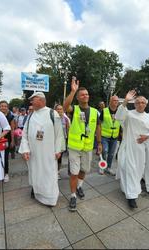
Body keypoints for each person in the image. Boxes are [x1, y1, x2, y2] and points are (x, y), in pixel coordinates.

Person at [115, 91, 149, 208]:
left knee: (137, 172)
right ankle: (132, 197)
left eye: (142, 102)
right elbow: (118, 117)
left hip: (141, 150)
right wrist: (125, 101)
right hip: (129, 148)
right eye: (138, 102)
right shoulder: (129, 114)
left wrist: (147, 136)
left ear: (146, 104)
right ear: (134, 104)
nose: (140, 104)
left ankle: (129, 190)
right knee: (129, 170)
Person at [63, 77, 102, 212]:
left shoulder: (94, 111)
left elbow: (97, 127)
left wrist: (99, 143)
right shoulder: (74, 109)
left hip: (88, 147)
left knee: (84, 170)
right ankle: (73, 195)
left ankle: (79, 186)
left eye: (87, 94)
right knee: (74, 172)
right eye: (82, 94)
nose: (86, 96)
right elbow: (64, 107)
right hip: (74, 147)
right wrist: (73, 91)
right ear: (78, 98)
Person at [19, 92, 64, 206]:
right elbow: (25, 134)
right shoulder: (30, 116)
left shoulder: (53, 114)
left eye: (33, 99)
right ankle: (37, 191)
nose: (31, 102)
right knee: (36, 172)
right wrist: (25, 149)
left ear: (40, 100)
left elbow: (59, 134)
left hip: (49, 152)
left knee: (49, 173)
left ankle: (50, 198)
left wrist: (58, 150)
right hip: (34, 153)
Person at [99, 95, 120, 175]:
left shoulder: (119, 111)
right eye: (114, 100)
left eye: (117, 101)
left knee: (111, 153)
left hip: (114, 136)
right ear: (110, 101)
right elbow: (99, 124)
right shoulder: (104, 111)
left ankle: (109, 168)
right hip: (104, 136)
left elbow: (121, 123)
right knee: (105, 151)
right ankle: (102, 167)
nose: (116, 102)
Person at [0, 100, 16, 182]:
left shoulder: (10, 116)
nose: (3, 107)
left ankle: (6, 173)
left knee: (5, 157)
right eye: (2, 106)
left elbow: (12, 129)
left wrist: (12, 141)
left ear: (7, 107)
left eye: (5, 106)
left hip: (6, 139)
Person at [54, 103, 70, 180]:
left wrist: (68, 141)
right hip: (53, 141)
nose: (59, 110)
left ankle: (57, 172)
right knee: (52, 157)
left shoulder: (66, 119)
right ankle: (52, 171)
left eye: (61, 109)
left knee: (59, 158)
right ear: (55, 110)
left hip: (62, 141)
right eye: (58, 109)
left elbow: (68, 131)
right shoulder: (52, 118)